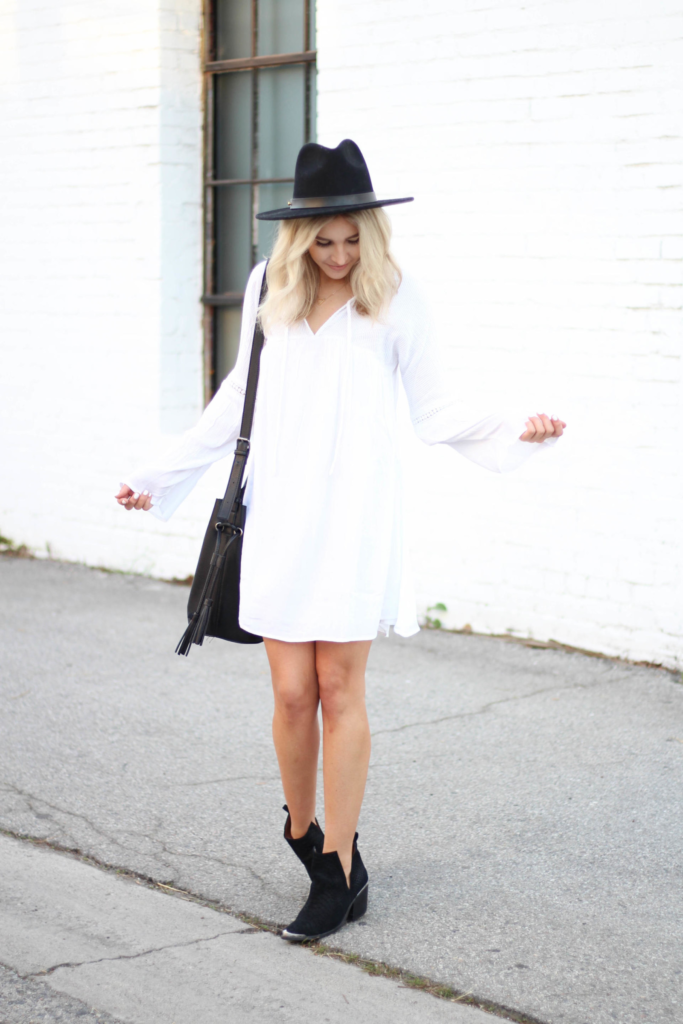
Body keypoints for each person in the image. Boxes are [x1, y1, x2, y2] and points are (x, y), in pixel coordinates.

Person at [115, 139, 565, 943]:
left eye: (352, 237)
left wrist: (519, 429)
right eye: (323, 240)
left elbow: (439, 413)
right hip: (281, 512)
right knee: (290, 693)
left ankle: (340, 860)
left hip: (356, 516)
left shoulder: (397, 297)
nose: (338, 254)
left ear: (372, 235)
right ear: (297, 239)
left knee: (338, 689)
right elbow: (232, 404)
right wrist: (157, 475)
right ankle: (302, 834)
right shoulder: (267, 287)